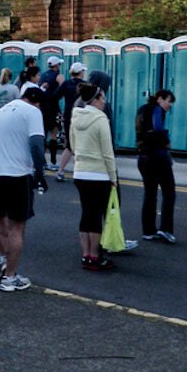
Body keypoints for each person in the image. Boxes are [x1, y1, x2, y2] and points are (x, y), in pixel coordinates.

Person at [0, 87, 49, 290]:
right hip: (17, 174)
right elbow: (37, 144)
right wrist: (40, 172)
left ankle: (5, 261)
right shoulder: (33, 112)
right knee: (17, 226)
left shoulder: (1, 111)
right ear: (37, 102)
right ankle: (10, 277)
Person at [71, 82, 128, 270]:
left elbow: (72, 145)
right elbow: (107, 152)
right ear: (95, 99)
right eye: (102, 98)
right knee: (96, 216)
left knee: (86, 213)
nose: (104, 101)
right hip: (99, 173)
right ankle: (95, 256)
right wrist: (113, 177)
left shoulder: (75, 116)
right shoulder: (101, 119)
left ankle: (85, 255)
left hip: (80, 172)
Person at [135, 90, 177, 244]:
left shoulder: (142, 109)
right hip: (158, 156)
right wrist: (166, 141)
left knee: (150, 193)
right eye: (169, 101)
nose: (170, 105)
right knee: (169, 192)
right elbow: (158, 129)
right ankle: (165, 229)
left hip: (143, 156)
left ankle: (148, 230)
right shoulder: (157, 110)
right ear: (160, 99)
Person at [54, 62, 87, 181]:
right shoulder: (85, 85)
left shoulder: (66, 84)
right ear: (81, 72)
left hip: (69, 116)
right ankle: (81, 171)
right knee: (82, 144)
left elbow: (55, 97)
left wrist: (59, 111)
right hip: (82, 116)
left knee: (70, 145)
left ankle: (60, 171)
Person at [39, 57, 66, 169]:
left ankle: (42, 160)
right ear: (56, 65)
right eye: (59, 64)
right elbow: (63, 88)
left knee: (43, 134)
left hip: (42, 107)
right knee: (53, 134)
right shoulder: (58, 76)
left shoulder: (42, 76)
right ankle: (53, 161)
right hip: (53, 107)